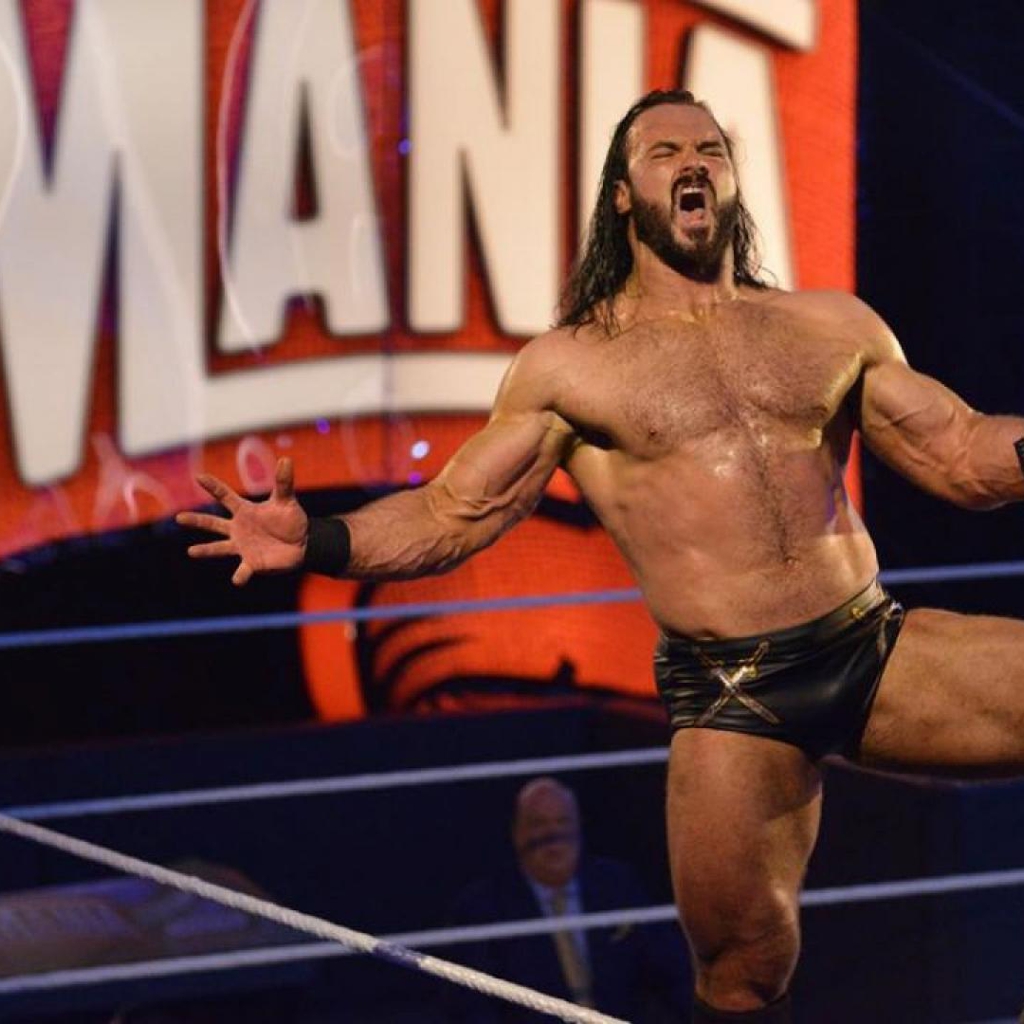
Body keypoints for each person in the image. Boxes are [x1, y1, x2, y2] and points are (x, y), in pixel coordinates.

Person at [176, 88, 1024, 1022]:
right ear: (623, 195)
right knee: (743, 971)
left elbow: (963, 454)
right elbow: (454, 513)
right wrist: (320, 541)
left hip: (870, 644)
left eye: (710, 149)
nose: (693, 162)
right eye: (665, 152)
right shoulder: (572, 366)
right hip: (735, 697)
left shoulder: (832, 327)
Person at [444, 777, 690, 1022]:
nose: (553, 833)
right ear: (517, 832)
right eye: (538, 823)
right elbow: (473, 1008)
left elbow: (673, 974)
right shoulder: (484, 907)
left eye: (563, 821)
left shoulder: (616, 886)